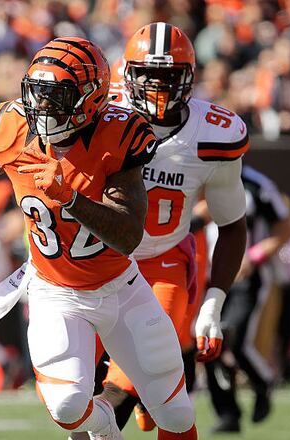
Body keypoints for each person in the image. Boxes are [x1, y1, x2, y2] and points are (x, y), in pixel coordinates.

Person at [0, 37, 196, 440]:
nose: (41, 107)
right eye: (37, 94)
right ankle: (106, 429)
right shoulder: (13, 126)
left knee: (177, 414)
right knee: (65, 404)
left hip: (120, 286)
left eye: (55, 97)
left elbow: (129, 234)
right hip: (54, 290)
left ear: (91, 99)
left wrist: (70, 197)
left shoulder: (120, 133)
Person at [87, 22, 248, 435]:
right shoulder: (100, 114)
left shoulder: (214, 133)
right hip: (93, 260)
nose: (158, 86)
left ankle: (136, 390)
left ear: (189, 78)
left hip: (162, 261)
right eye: (149, 75)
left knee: (130, 375)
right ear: (127, 75)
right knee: (79, 393)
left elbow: (231, 225)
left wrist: (212, 304)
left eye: (169, 76)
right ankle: (144, 390)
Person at [202, 165, 290, 432]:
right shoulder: (195, 172)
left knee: (232, 336)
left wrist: (253, 256)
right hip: (207, 275)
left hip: (245, 279)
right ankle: (228, 414)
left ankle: (262, 383)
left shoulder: (256, 184)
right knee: (208, 341)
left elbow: (286, 227)